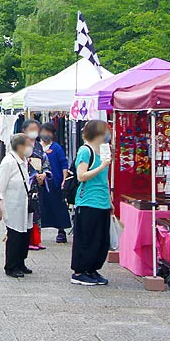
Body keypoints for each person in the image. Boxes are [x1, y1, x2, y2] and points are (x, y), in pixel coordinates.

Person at [71, 120, 113, 287]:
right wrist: (102, 166)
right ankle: (80, 271)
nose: (108, 134)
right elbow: (81, 176)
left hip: (102, 201)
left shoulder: (103, 149)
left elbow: (104, 179)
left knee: (101, 239)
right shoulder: (85, 151)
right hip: (88, 200)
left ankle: (92, 269)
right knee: (87, 237)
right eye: (105, 131)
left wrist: (109, 200)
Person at [0, 134, 34, 278]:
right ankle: (11, 265)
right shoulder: (8, 161)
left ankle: (21, 262)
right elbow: (0, 185)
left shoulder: (25, 160)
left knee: (25, 234)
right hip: (13, 205)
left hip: (25, 204)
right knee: (15, 235)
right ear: (20, 146)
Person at [39, 124, 71, 243]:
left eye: (48, 132)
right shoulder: (36, 147)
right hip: (39, 182)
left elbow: (64, 164)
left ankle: (61, 231)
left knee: (58, 206)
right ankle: (36, 233)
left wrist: (64, 179)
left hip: (54, 182)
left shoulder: (56, 147)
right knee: (40, 207)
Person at [22, 120, 50, 251]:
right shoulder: (21, 144)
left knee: (37, 211)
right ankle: (27, 239)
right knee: (28, 211)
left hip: (38, 183)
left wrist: (44, 174)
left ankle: (36, 239)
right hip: (26, 182)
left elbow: (45, 161)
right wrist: (34, 175)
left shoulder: (38, 145)